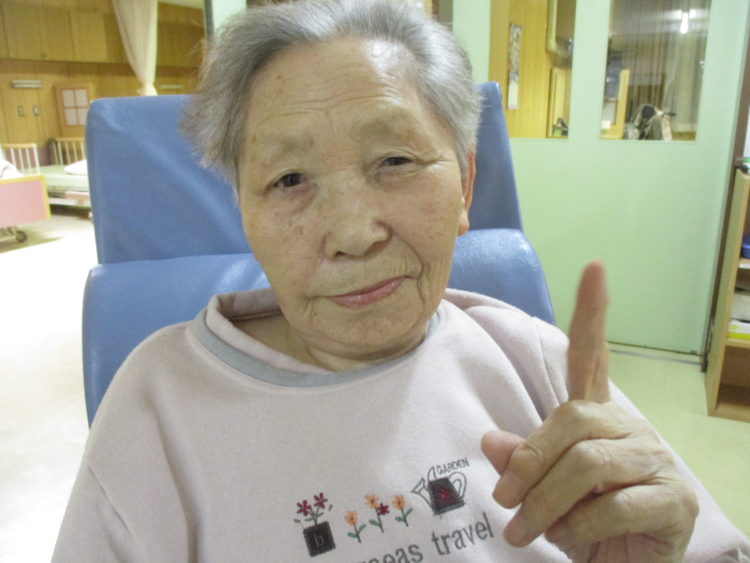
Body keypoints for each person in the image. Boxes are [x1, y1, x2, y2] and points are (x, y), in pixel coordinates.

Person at [54, 1, 749, 561]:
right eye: (290, 179)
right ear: (243, 209)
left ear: (466, 183)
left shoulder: (534, 360)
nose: (354, 232)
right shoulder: (156, 407)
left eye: (394, 160)